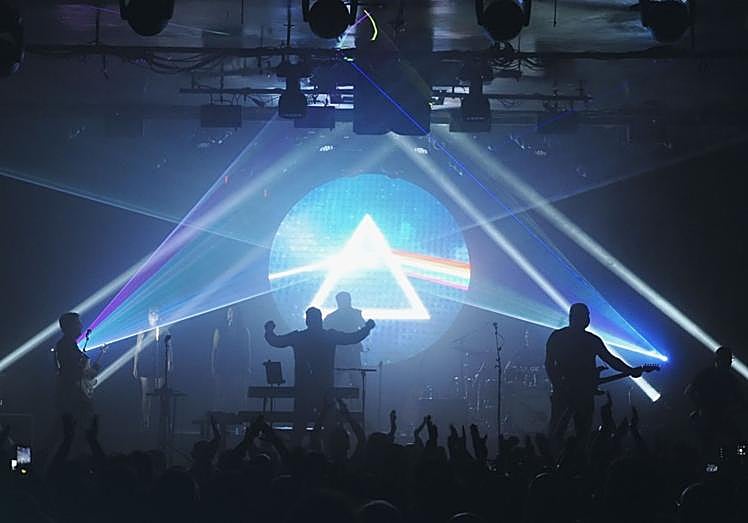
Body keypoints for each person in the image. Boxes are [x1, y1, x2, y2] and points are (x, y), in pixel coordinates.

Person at [264, 307, 375, 445]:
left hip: (304, 389)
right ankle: (329, 454)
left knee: (299, 429)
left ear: (307, 321)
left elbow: (275, 341)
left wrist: (269, 330)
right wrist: (367, 328)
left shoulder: (299, 337)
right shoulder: (328, 336)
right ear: (320, 320)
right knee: (328, 428)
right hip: (325, 389)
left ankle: (295, 454)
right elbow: (353, 338)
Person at [545, 303, 642, 442]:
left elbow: (549, 365)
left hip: (570, 392)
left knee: (560, 430)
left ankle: (554, 452)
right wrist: (630, 370)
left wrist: (559, 385)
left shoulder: (559, 337)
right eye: (586, 316)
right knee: (579, 431)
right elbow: (611, 360)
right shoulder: (590, 340)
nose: (588, 319)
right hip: (579, 393)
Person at [685, 346, 746, 454]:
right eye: (727, 359)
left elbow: (740, 400)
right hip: (710, 418)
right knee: (712, 446)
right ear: (719, 359)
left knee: (732, 442)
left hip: (716, 417)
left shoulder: (729, 378)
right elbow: (689, 391)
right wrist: (701, 408)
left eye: (730, 359)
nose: (729, 362)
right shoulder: (708, 375)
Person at [54, 312, 96, 426]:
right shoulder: (65, 345)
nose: (81, 326)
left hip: (73, 393)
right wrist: (89, 372)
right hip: (72, 395)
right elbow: (72, 369)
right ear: (70, 326)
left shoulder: (68, 344)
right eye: (77, 323)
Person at [133, 308, 171, 431]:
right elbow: (137, 349)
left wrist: (169, 361)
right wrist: (135, 366)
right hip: (145, 362)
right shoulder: (142, 331)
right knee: (145, 393)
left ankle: (159, 420)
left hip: (159, 362)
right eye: (151, 313)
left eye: (156, 313)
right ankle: (145, 420)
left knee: (160, 393)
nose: (154, 315)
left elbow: (170, 346)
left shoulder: (164, 329)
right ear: (148, 315)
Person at [211, 305, 251, 411]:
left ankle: (237, 417)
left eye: (233, 312)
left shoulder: (244, 331)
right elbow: (214, 350)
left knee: (237, 394)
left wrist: (247, 368)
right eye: (229, 312)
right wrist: (213, 367)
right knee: (221, 394)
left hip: (238, 368)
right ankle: (219, 417)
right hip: (222, 367)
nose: (231, 314)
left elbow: (247, 350)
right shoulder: (220, 330)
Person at [324, 292, 366, 387]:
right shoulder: (354, 314)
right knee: (343, 378)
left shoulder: (331, 317)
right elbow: (364, 327)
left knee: (351, 378)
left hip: (345, 350)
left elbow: (324, 331)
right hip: (342, 351)